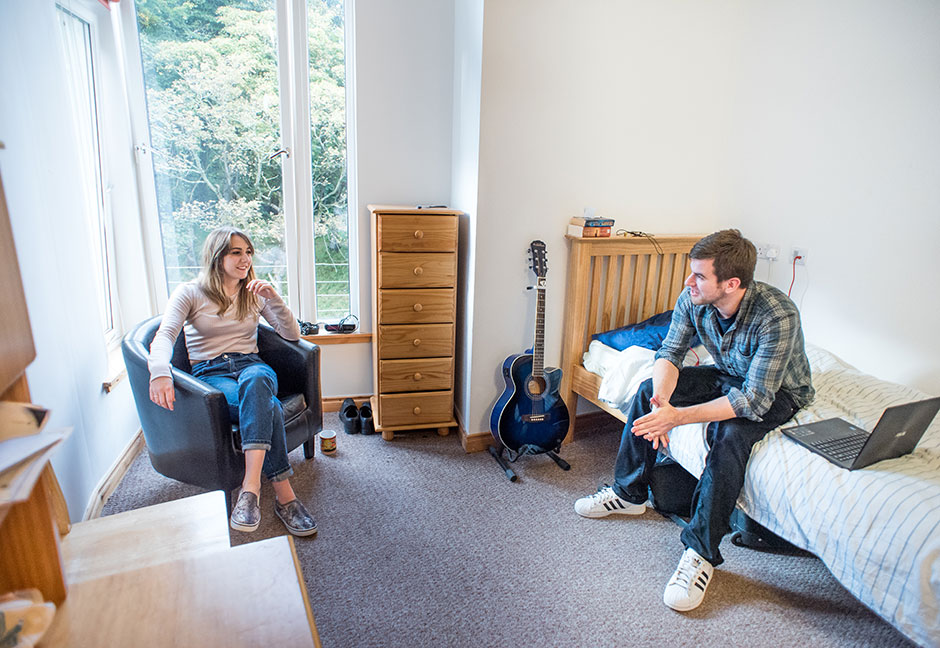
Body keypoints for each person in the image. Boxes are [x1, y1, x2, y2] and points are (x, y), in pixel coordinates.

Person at [574, 229, 814, 611]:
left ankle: (700, 553)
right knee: (643, 392)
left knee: (730, 433)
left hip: (778, 391)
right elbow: (670, 352)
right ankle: (629, 493)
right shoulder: (693, 298)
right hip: (729, 373)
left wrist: (675, 418)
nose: (689, 282)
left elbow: (753, 400)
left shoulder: (777, 315)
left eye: (699, 276)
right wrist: (662, 402)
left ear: (731, 283)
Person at [148, 226, 317, 537]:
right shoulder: (189, 293)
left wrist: (274, 298)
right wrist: (159, 371)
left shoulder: (253, 293)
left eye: (248, 252)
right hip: (211, 376)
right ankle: (284, 496)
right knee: (270, 409)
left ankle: (249, 489)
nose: (245, 259)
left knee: (256, 381)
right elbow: (165, 336)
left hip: (252, 367)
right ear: (217, 257)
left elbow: (292, 335)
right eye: (236, 252)